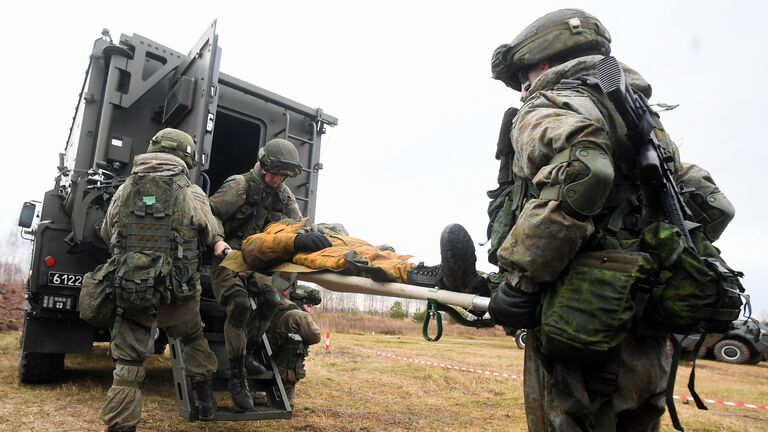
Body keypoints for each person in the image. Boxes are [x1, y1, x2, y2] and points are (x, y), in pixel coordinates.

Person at [484, 9, 737, 432]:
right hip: (647, 328)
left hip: (580, 322)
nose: (523, 87)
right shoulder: (647, 123)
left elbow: (587, 171)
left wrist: (522, 280)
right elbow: (717, 206)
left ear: (542, 63)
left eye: (523, 75)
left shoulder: (551, 104)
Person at [99, 128, 229, 431]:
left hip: (133, 290)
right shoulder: (191, 192)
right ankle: (206, 401)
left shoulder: (126, 189)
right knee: (192, 338)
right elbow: (210, 234)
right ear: (186, 157)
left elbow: (107, 234)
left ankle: (121, 427)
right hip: (178, 294)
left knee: (128, 363)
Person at [208, 138, 329, 411]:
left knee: (272, 301)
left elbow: (297, 225)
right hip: (229, 257)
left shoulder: (283, 194)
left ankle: (249, 350)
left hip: (258, 260)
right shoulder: (239, 186)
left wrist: (309, 240)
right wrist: (218, 240)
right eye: (275, 174)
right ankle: (237, 373)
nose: (277, 180)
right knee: (239, 304)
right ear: (263, 166)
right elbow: (211, 212)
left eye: (283, 176)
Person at [265, 284, 322, 408]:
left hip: (275, 364)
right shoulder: (299, 315)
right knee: (285, 403)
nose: (311, 310)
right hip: (285, 370)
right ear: (302, 303)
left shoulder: (280, 311)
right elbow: (315, 336)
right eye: (310, 306)